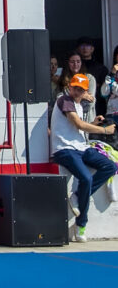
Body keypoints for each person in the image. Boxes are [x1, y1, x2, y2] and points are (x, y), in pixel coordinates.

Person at [50, 73, 116, 240]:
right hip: (64, 149)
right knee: (86, 178)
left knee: (110, 166)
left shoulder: (78, 105)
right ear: (69, 87)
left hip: (80, 147)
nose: (77, 92)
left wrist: (93, 124)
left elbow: (76, 128)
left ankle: (78, 196)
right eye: (75, 88)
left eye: (81, 89)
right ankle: (81, 224)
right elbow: (78, 124)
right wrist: (104, 130)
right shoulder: (64, 100)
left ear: (85, 91)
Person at [59, 52, 96, 123]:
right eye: (72, 62)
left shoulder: (89, 78)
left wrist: (72, 98)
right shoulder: (62, 79)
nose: (75, 64)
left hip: (88, 122)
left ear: (81, 63)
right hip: (68, 122)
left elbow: (89, 104)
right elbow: (61, 101)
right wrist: (82, 96)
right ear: (68, 63)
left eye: (78, 61)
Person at [77, 37, 109, 116]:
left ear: (92, 49)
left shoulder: (101, 68)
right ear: (78, 49)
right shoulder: (75, 67)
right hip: (78, 104)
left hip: (98, 106)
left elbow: (104, 89)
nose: (85, 48)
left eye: (87, 46)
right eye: (82, 46)